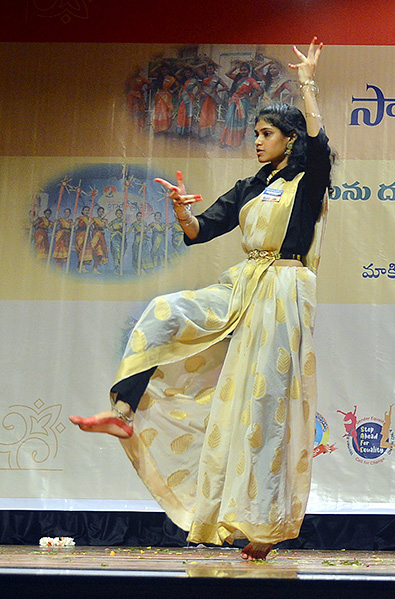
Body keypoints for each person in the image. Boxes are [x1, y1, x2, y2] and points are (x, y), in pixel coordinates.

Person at [70, 38, 331, 561]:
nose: (256, 141)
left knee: (262, 411)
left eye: (266, 133)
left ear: (290, 138)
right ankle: (124, 409)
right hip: (243, 284)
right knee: (165, 312)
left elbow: (322, 146)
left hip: (282, 292)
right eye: (255, 132)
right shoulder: (253, 186)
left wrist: (306, 84)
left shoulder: (308, 179)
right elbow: (202, 229)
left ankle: (261, 528)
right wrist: (181, 211)